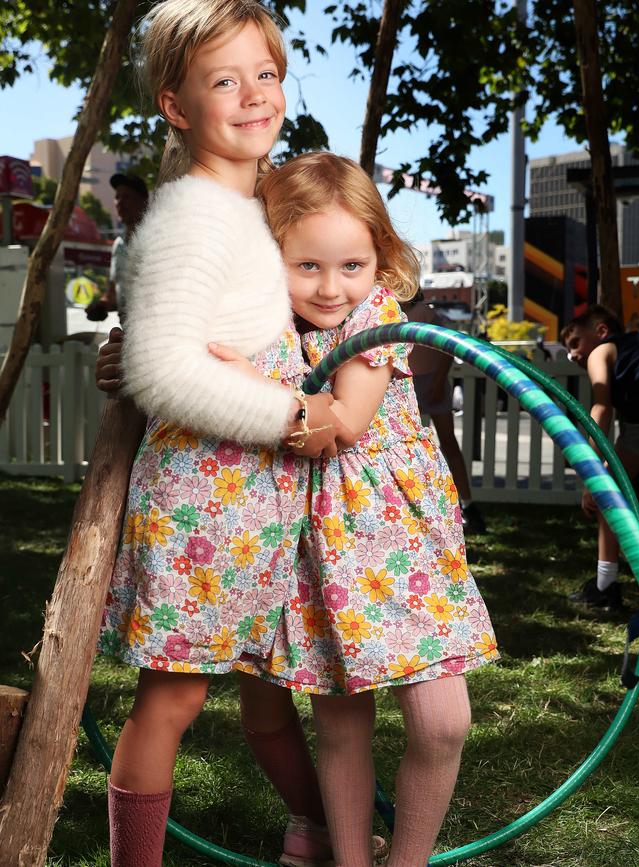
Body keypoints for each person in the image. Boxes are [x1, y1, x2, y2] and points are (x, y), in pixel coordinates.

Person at [97, 3, 342, 866]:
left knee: (269, 696)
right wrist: (297, 417)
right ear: (176, 103)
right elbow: (167, 370)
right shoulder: (197, 212)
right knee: (172, 701)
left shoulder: (250, 205)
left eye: (265, 75)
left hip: (257, 499)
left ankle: (314, 828)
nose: (252, 96)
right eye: (223, 80)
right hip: (209, 495)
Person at [212, 153, 499, 867]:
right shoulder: (265, 323)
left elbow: (337, 424)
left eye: (352, 264)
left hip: (403, 540)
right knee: (340, 722)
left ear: (379, 258)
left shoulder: (378, 314)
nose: (332, 287)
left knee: (441, 721)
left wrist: (251, 385)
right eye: (307, 266)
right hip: (321, 544)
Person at [561, 304, 639, 609]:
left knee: (606, 491)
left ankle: (605, 586)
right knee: (613, 490)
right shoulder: (638, 348)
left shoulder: (602, 351)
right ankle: (605, 585)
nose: (572, 354)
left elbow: (601, 409)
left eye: (574, 342)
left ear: (600, 332)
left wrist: (592, 477)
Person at [404, 295, 487, 535]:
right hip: (409, 383)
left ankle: (468, 504)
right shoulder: (387, 310)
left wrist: (439, 382)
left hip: (432, 381)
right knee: (411, 447)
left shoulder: (425, 313)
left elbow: (446, 349)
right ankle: (418, 504)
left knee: (448, 443)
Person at [85, 173, 149, 324]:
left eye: (126, 197)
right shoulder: (118, 245)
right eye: (117, 197)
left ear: (144, 201)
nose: (120, 202)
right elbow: (112, 295)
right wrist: (101, 305)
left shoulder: (155, 240)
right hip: (126, 332)